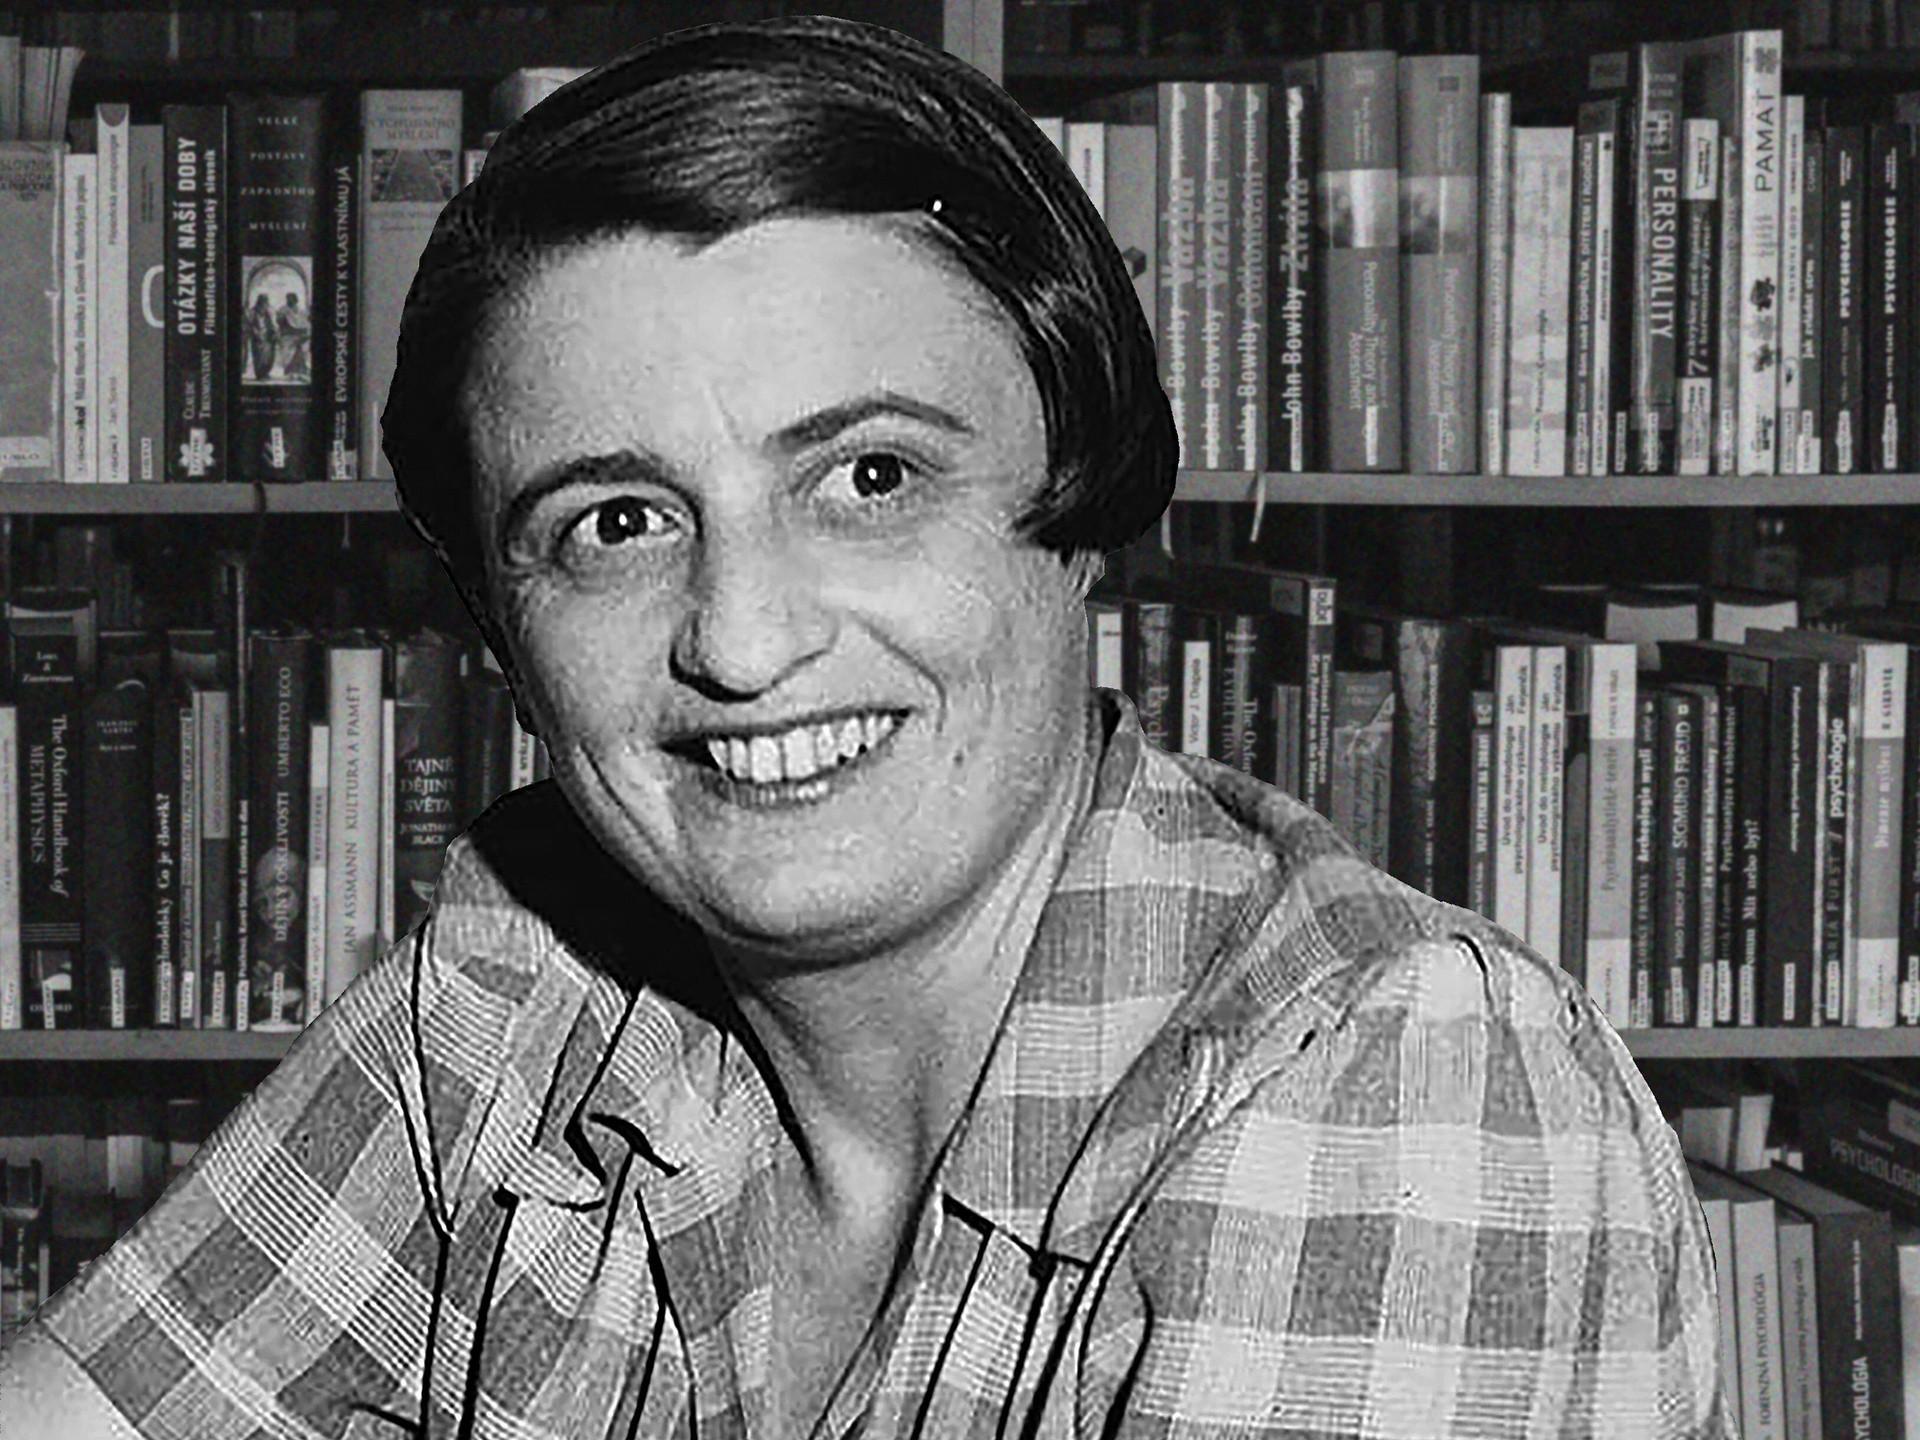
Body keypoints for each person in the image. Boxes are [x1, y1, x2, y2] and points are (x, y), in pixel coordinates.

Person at [0, 15, 1731, 1438]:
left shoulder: (1402, 1070)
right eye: (617, 522)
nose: (746, 642)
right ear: (502, 637)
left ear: (1081, 498)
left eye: (871, 478)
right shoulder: (528, 985)